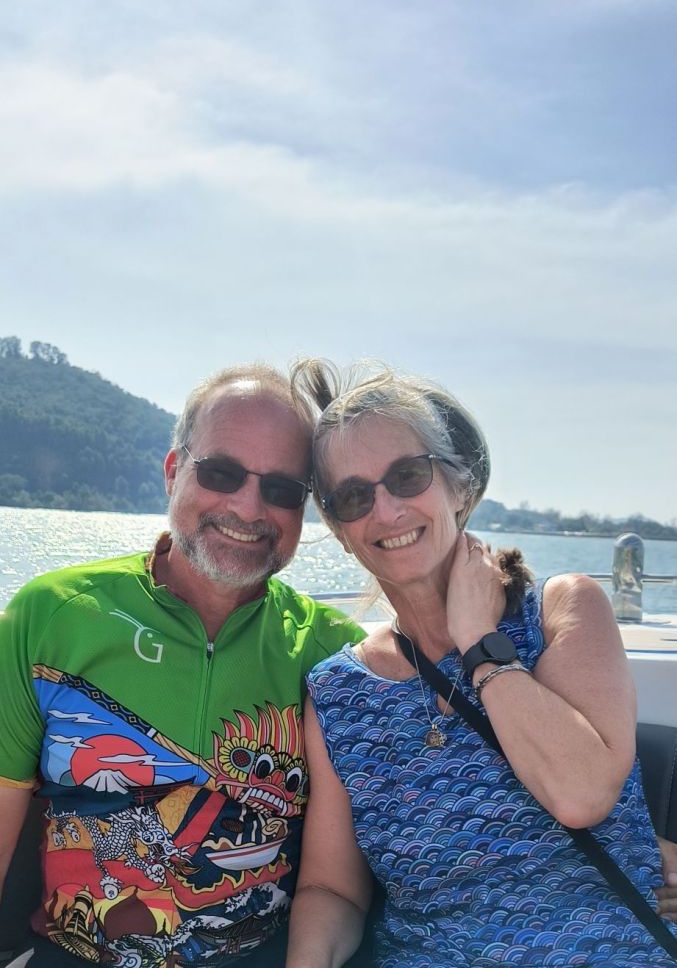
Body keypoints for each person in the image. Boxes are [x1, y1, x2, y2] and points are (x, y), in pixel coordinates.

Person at [286, 358, 677, 968]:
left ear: (459, 486)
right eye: (355, 496)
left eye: (408, 476)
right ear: (340, 530)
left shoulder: (560, 612)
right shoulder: (338, 694)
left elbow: (581, 795)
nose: (385, 511)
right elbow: (331, 890)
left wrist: (478, 643)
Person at [0, 364, 364, 968]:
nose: (248, 507)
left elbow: (341, 879)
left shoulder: (334, 653)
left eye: (282, 489)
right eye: (221, 473)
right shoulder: (51, 618)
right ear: (173, 471)